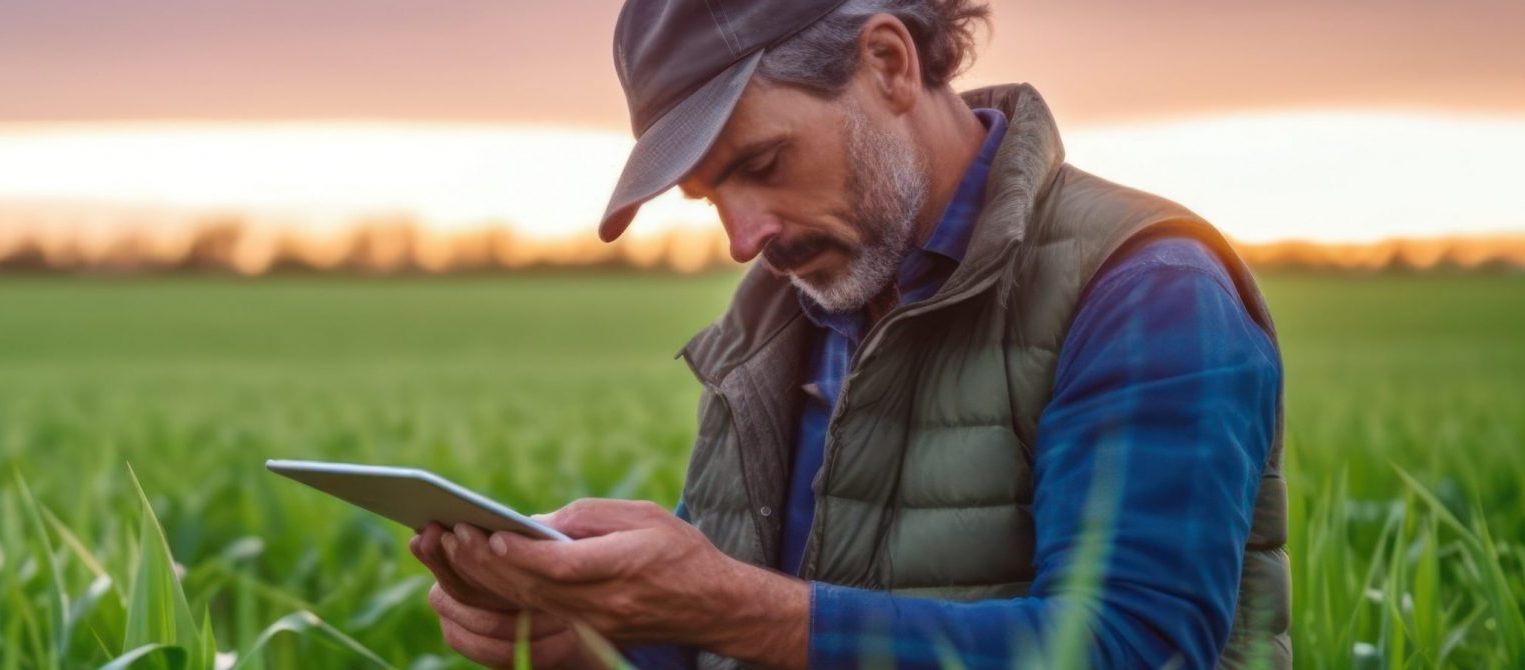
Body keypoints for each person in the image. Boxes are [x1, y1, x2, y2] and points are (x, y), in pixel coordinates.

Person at [411, 0, 1288, 667]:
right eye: (713, 194)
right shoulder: (777, 320)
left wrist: (718, 606)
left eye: (762, 164)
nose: (743, 237)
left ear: (888, 63)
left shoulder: (1145, 292)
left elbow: (1134, 645)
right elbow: (760, 618)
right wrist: (602, 634)